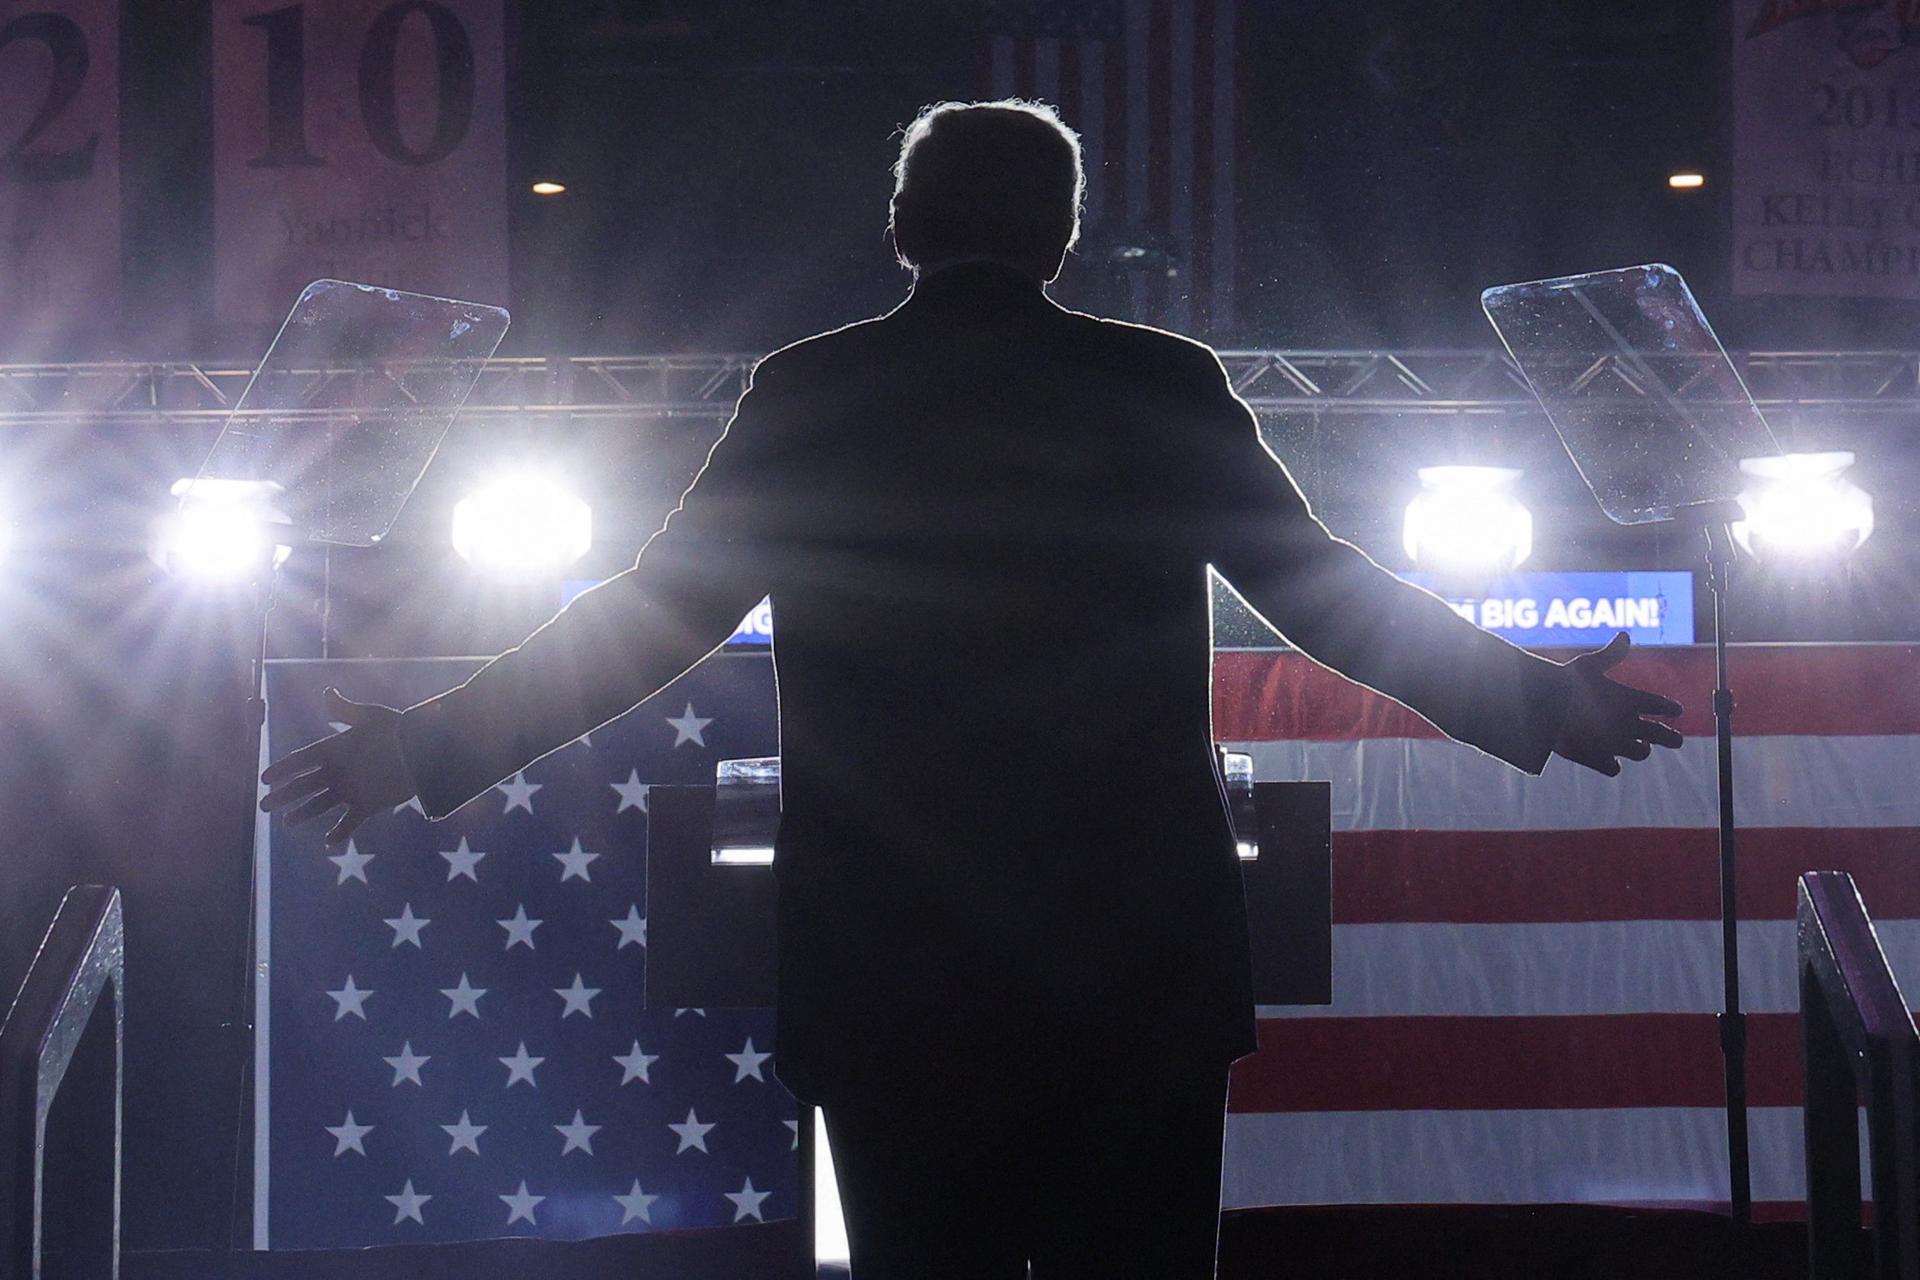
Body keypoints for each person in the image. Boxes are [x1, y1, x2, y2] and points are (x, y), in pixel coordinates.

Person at [260, 100, 1683, 1279]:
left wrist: (418, 749)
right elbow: (1325, 598)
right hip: (1134, 964)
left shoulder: (814, 393)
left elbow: (646, 624)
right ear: (1063, 236)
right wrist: (1537, 703)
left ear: (900, 227)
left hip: (893, 966)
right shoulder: (1158, 382)